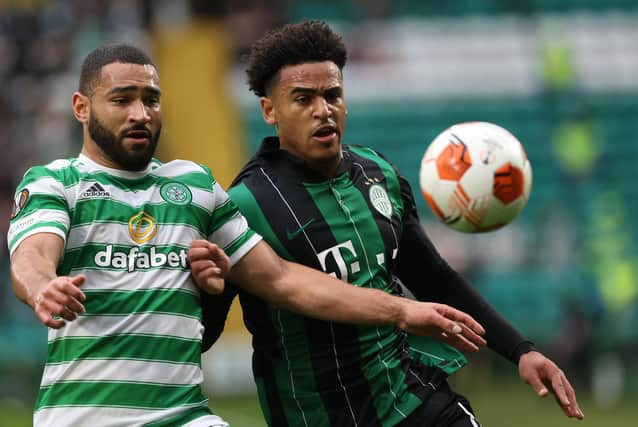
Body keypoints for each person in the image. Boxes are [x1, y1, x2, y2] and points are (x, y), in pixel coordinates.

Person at [7, 43, 487, 427]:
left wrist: (402, 309)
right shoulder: (55, 182)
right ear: (81, 107)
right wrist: (43, 285)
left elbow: (281, 279)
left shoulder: (193, 186)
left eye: (150, 100)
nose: (140, 113)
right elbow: (30, 258)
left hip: (182, 415)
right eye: (122, 99)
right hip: (84, 416)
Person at [201, 20, 584, 426]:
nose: (323, 110)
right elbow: (205, 336)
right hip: (318, 417)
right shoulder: (246, 204)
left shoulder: (378, 173)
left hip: (411, 399)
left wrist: (521, 350)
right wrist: (211, 287)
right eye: (303, 99)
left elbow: (433, 276)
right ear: (269, 110)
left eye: (333, 95)